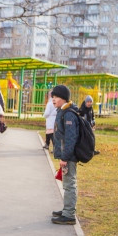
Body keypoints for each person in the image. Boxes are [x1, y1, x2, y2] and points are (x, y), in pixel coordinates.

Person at [50, 85, 80, 225]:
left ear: (63, 98)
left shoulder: (68, 114)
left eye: (55, 97)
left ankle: (69, 215)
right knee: (68, 183)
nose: (53, 99)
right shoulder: (63, 111)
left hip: (69, 156)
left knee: (69, 184)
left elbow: (70, 138)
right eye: (52, 97)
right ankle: (67, 210)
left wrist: (65, 157)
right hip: (66, 155)